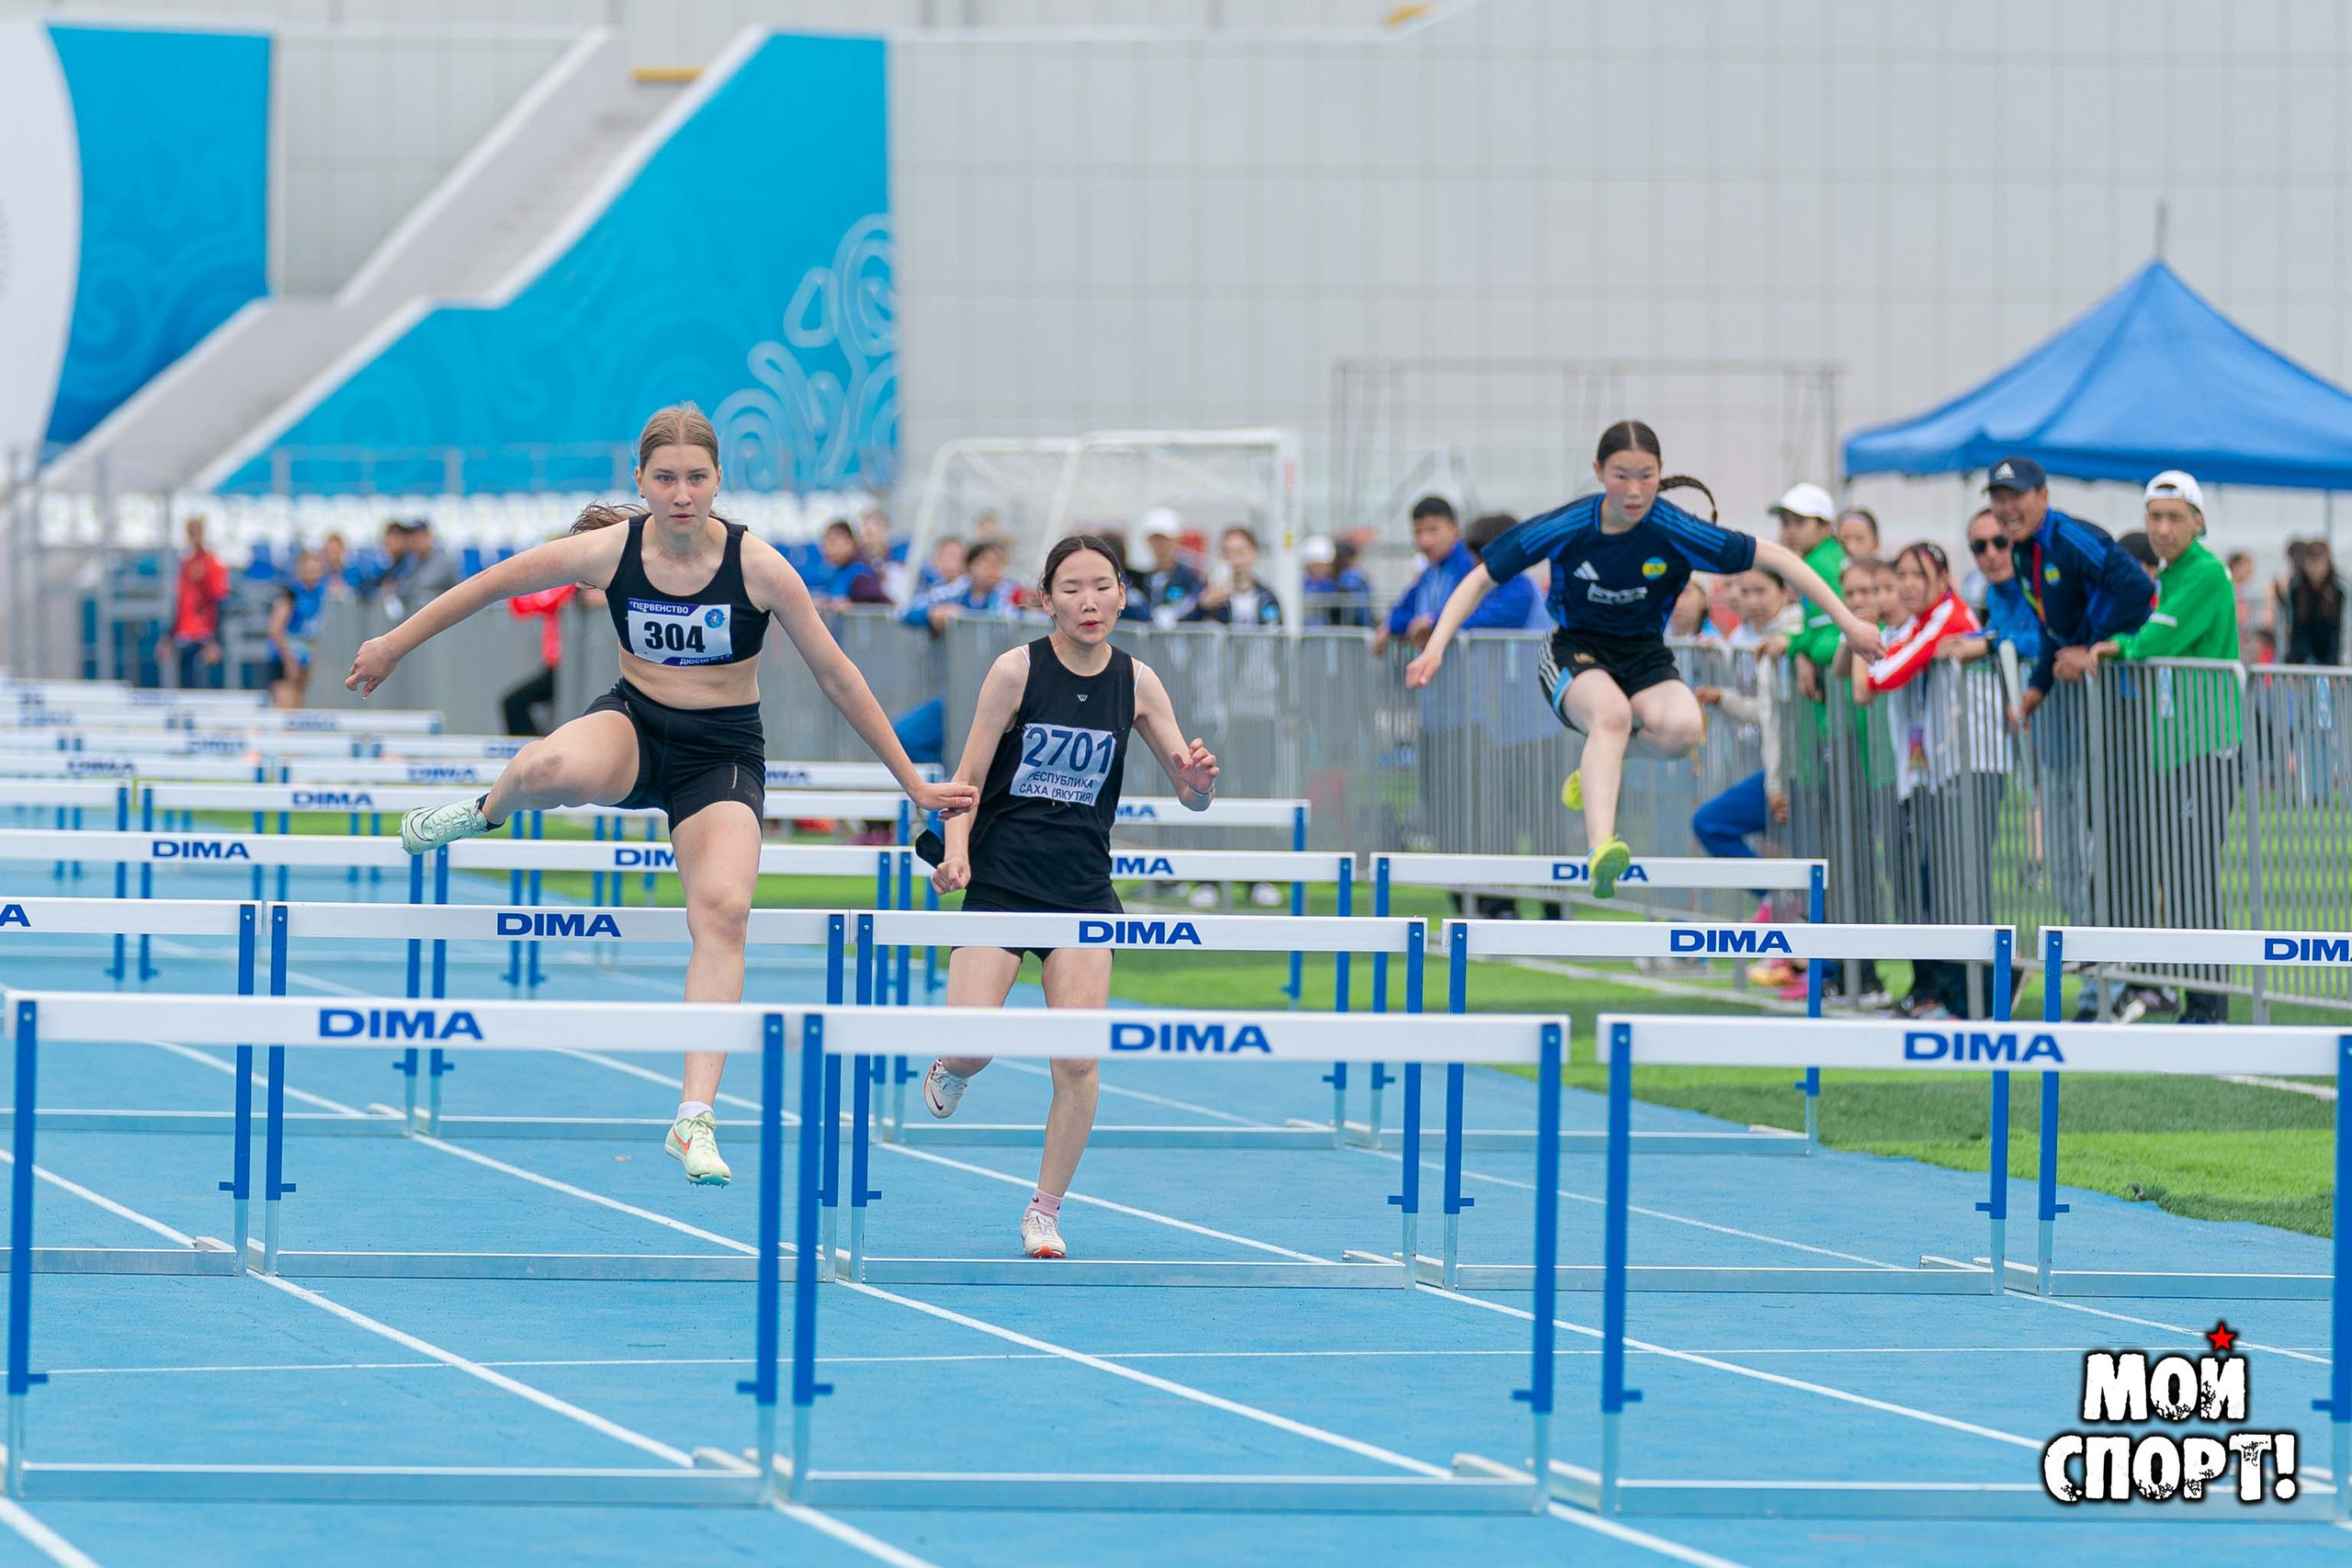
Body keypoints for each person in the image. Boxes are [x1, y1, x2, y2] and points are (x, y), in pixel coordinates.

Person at [346, 404, 976, 1185]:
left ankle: (694, 1118)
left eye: (697, 478)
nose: (682, 493)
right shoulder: (611, 550)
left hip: (720, 756)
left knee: (724, 909)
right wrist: (392, 644)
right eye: (667, 479)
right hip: (635, 725)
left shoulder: (761, 568)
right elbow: (484, 585)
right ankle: (483, 812)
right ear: (641, 482)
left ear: (717, 482)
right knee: (544, 769)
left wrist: (910, 781)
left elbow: (838, 676)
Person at [1404, 421, 1881, 896]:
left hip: (1643, 653)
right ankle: (1601, 850)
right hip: (1573, 647)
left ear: (1661, 473)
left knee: (1683, 730)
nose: (1634, 491)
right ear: (1598, 471)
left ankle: (1597, 764)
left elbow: (1781, 560)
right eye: (1621, 476)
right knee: (1610, 716)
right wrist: (1437, 645)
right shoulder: (1569, 525)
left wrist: (1850, 623)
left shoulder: (1673, 529)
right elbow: (1480, 579)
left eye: (1646, 476)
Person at [920, 535, 1221, 1260]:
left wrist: (1201, 781)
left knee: (1078, 1061)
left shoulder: (1139, 682)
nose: (1089, 602)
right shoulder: (1014, 672)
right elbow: (964, 781)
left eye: (1103, 586)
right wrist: (956, 852)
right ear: (1046, 597)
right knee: (971, 1047)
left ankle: (1044, 1212)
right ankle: (949, 1066)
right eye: (1073, 588)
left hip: (1082, 889)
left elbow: (1190, 793)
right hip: (1000, 881)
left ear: (1122, 594)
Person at [2086, 470, 2242, 1024]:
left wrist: (2115, 646)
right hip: (2179, 749)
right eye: (2154, 516)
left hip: (2206, 748)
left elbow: (2157, 641)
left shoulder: (2203, 573)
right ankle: (2191, 995)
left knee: (2194, 877)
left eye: (2175, 517)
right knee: (2180, 877)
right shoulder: (2178, 573)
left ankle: (2206, 1003)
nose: (2162, 527)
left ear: (2199, 522)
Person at [1847, 543, 1990, 1019]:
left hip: (1970, 766)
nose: (1906, 585)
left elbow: (1880, 677)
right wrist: (1860, 630)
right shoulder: (1915, 622)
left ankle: (1968, 997)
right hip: (1932, 772)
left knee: (1954, 887)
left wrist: (1858, 634)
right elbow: (1865, 677)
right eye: (1899, 576)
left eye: (1915, 575)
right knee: (1928, 886)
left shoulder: (1947, 616)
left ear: (1944, 577)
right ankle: (1938, 991)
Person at [1989, 457, 2155, 726]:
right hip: (2092, 689)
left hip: (2128, 686)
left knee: (2123, 767)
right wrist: (2037, 688)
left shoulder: (2071, 537)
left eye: (2016, 495)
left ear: (2043, 495)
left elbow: (2139, 587)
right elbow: (2051, 625)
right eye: (1998, 498)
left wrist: (2092, 649)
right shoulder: (2022, 551)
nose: (2007, 508)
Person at [1690, 568, 1804, 901]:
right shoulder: (1747, 637)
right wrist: (1724, 699)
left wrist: (1776, 784)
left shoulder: (1794, 635)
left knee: (1823, 867)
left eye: (1761, 591)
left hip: (1802, 772)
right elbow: (1766, 711)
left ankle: (1799, 923)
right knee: (1709, 823)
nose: (1752, 601)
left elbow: (1785, 719)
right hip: (1778, 772)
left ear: (1784, 592)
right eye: (1746, 592)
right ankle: (1782, 904)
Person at [900, 539, 1017, 632]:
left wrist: (963, 615)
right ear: (970, 565)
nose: (991, 568)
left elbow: (1008, 621)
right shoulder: (958, 589)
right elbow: (907, 610)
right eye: (985, 562)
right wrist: (932, 613)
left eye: (998, 563)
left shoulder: (1007, 594)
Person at [172, 515, 232, 691]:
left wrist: (216, 640)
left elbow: (219, 600)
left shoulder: (213, 563)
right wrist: (170, 635)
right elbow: (181, 602)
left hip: (205, 633)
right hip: (186, 633)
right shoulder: (186, 563)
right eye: (191, 532)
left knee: (205, 686)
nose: (194, 536)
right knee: (185, 683)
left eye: (197, 531)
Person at [265, 548, 329, 708]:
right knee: (286, 710)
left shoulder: (320, 595)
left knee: (299, 706)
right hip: (285, 659)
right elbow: (275, 630)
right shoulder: (291, 594)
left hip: (305, 657)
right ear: (300, 571)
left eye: (316, 570)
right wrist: (289, 660)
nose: (312, 574)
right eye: (309, 570)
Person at [1187, 525, 1284, 626]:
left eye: (1240, 553)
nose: (1235, 560)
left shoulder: (1266, 597)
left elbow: (1278, 634)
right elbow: (1182, 627)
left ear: (1254, 552)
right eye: (1228, 553)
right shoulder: (1206, 592)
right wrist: (1202, 607)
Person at [1123, 510, 1205, 626]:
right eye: (1155, 539)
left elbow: (1194, 606)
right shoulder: (1138, 578)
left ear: (1176, 540)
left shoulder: (1188, 577)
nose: (1159, 545)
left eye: (1164, 539)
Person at [2278, 538, 2346, 666]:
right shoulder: (2296, 590)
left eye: (2319, 562)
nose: (2315, 568)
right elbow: (2291, 628)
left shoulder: (2340, 591)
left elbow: (2340, 633)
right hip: (2300, 661)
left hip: (2333, 662)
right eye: (2312, 562)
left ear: (2328, 563)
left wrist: (2338, 663)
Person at [808, 519, 893, 607]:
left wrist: (853, 605)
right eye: (825, 543)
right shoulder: (836, 573)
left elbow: (881, 607)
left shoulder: (861, 575)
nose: (827, 549)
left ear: (851, 542)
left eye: (833, 542)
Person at [1300, 536, 1373, 627]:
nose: (1322, 570)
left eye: (1325, 566)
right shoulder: (1306, 583)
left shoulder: (1345, 580)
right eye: (1317, 566)